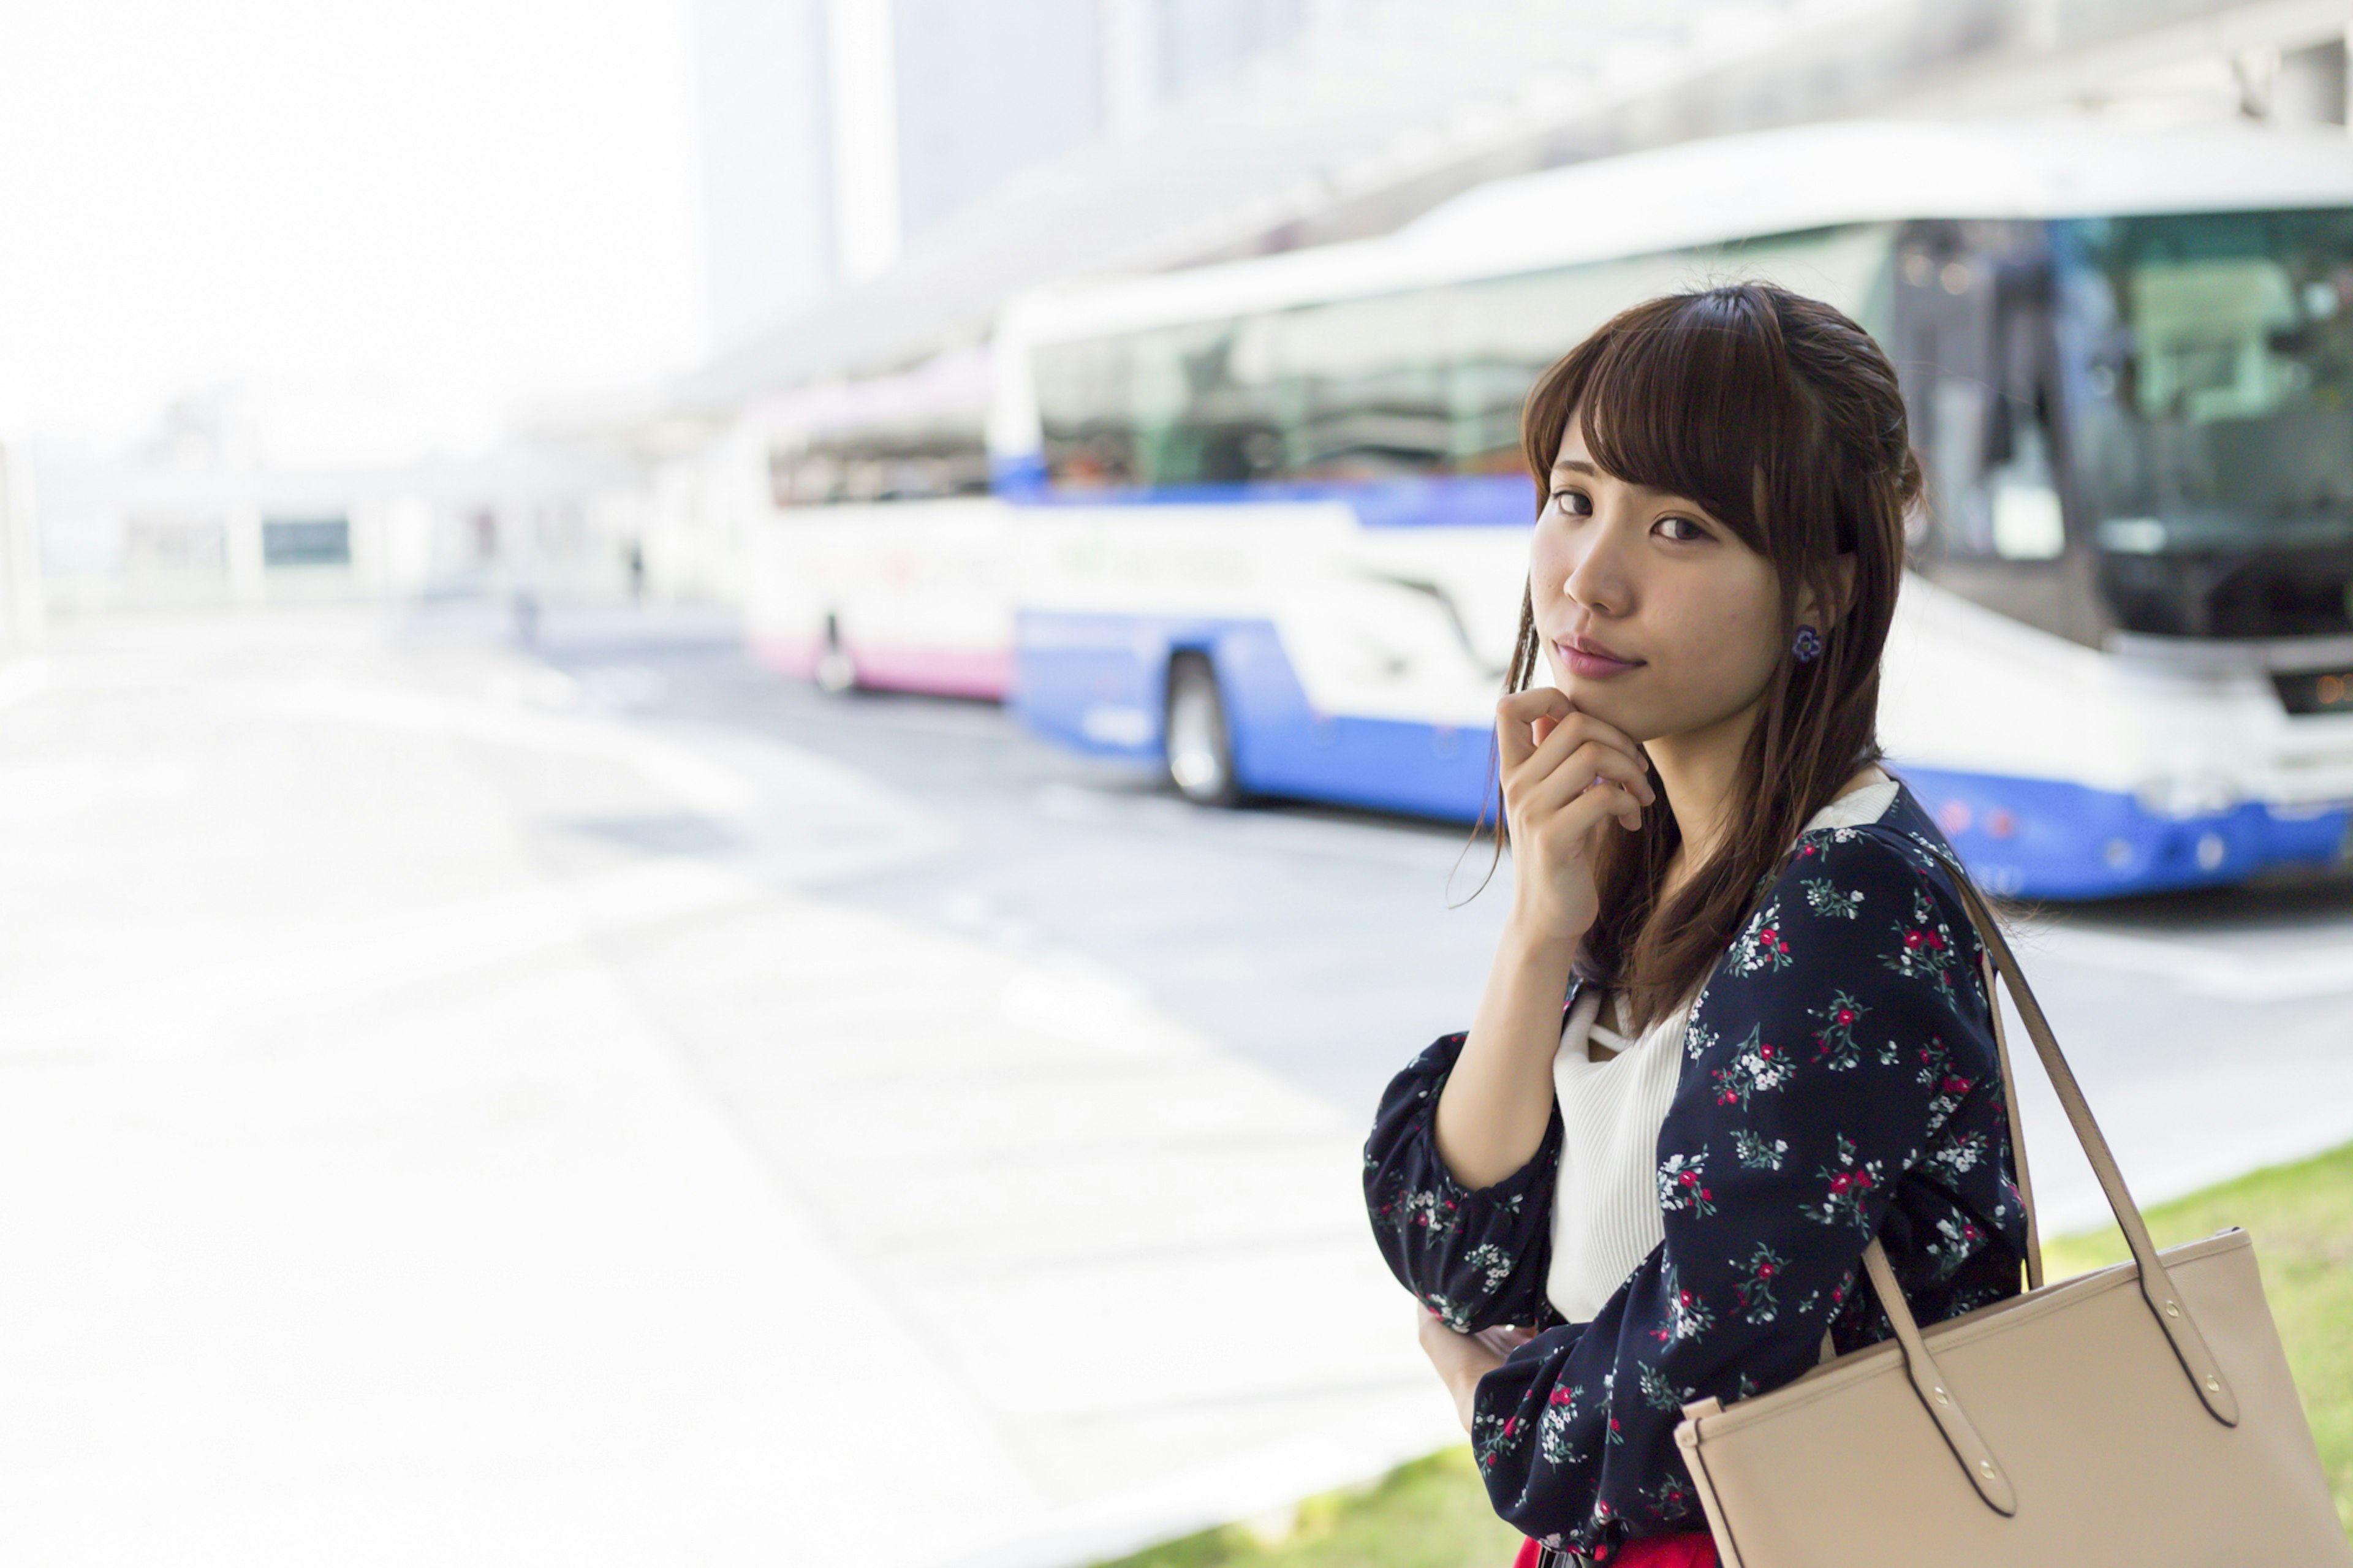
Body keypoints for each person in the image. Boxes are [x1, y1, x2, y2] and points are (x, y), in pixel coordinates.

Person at [1361, 284, 2031, 1566]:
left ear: (1821, 586)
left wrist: (1487, 1405)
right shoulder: (1658, 851)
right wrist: (1541, 927)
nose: (1590, 578)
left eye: (1679, 525)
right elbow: (1455, 1252)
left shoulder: (1844, 901)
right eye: (1574, 497)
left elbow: (1702, 1365)